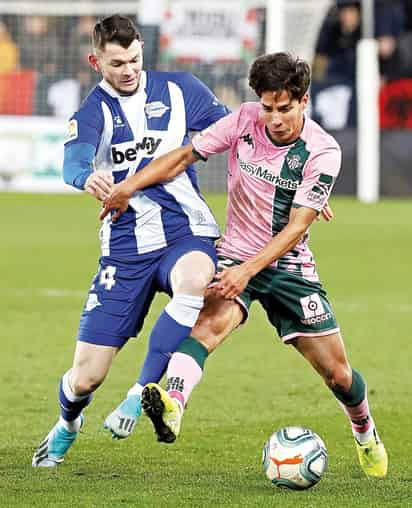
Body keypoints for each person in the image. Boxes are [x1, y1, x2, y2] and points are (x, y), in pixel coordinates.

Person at [101, 52, 388, 478]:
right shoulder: (244, 120)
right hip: (234, 251)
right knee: (208, 327)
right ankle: (174, 404)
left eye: (284, 109)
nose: (273, 119)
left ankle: (366, 433)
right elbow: (183, 157)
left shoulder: (323, 150)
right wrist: (127, 186)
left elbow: (296, 228)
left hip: (288, 265)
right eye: (268, 108)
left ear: (304, 101)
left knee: (338, 375)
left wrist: (247, 271)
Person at [32, 14, 230, 467]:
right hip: (124, 248)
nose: (128, 70)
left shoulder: (182, 89)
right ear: (95, 61)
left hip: (187, 229)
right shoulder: (92, 113)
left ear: (143, 49)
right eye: (117, 63)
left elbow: (238, 129)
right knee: (84, 379)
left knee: (197, 279)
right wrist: (89, 179)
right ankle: (68, 423)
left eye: (135, 59)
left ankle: (140, 393)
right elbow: (73, 164)